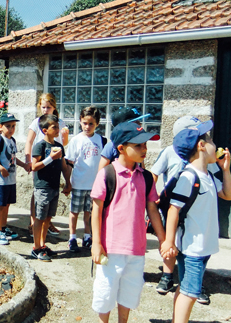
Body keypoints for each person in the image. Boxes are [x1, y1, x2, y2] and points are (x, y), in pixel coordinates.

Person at [90, 122, 164, 323]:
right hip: (111, 248)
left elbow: (152, 209)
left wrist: (163, 240)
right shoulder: (107, 174)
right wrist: (96, 243)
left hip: (137, 248)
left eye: (145, 145)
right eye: (138, 145)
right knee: (106, 292)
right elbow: (96, 210)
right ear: (121, 148)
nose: (144, 150)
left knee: (130, 292)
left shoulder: (146, 177)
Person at [161, 121, 231, 323]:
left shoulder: (208, 175)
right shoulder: (189, 177)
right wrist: (169, 241)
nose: (214, 143)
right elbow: (174, 210)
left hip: (203, 246)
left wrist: (225, 170)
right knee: (191, 293)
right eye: (209, 139)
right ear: (201, 146)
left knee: (185, 288)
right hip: (192, 247)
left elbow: (227, 194)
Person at [151, 116, 218, 301]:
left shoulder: (205, 165)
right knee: (172, 242)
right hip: (176, 204)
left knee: (184, 251)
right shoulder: (169, 152)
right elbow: (155, 173)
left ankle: (192, 283)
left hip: (194, 206)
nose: (209, 139)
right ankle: (167, 275)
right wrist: (151, 197)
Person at [24, 93, 68, 237]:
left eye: (48, 107)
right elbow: (29, 141)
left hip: (55, 161)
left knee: (51, 194)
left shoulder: (60, 123)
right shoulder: (37, 122)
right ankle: (33, 221)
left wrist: (66, 136)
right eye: (43, 107)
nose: (45, 110)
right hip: (41, 159)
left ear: (54, 107)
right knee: (38, 192)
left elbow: (63, 144)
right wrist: (28, 160)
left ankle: (48, 223)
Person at [31, 114, 71, 260]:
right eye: (54, 127)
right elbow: (34, 166)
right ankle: (36, 247)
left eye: (58, 127)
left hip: (54, 187)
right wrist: (50, 159)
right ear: (44, 130)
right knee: (39, 218)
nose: (57, 130)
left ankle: (43, 244)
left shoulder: (59, 146)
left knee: (48, 218)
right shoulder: (40, 146)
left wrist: (68, 182)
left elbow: (64, 166)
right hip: (42, 187)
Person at [65, 106, 104, 252]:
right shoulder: (76, 140)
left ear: (97, 124)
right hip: (79, 183)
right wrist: (68, 183)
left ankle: (87, 236)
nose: (87, 127)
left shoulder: (101, 140)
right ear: (80, 122)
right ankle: (72, 237)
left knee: (89, 212)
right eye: (84, 123)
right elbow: (69, 162)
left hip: (94, 185)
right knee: (75, 211)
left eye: (91, 124)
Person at [0, 113, 27, 244]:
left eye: (13, 126)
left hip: (11, 179)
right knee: (0, 206)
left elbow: (13, 158)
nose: (11, 129)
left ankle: (3, 227)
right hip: (0, 180)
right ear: (1, 126)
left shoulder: (12, 140)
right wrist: (0, 168)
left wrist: (24, 165)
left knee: (7, 205)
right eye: (8, 126)